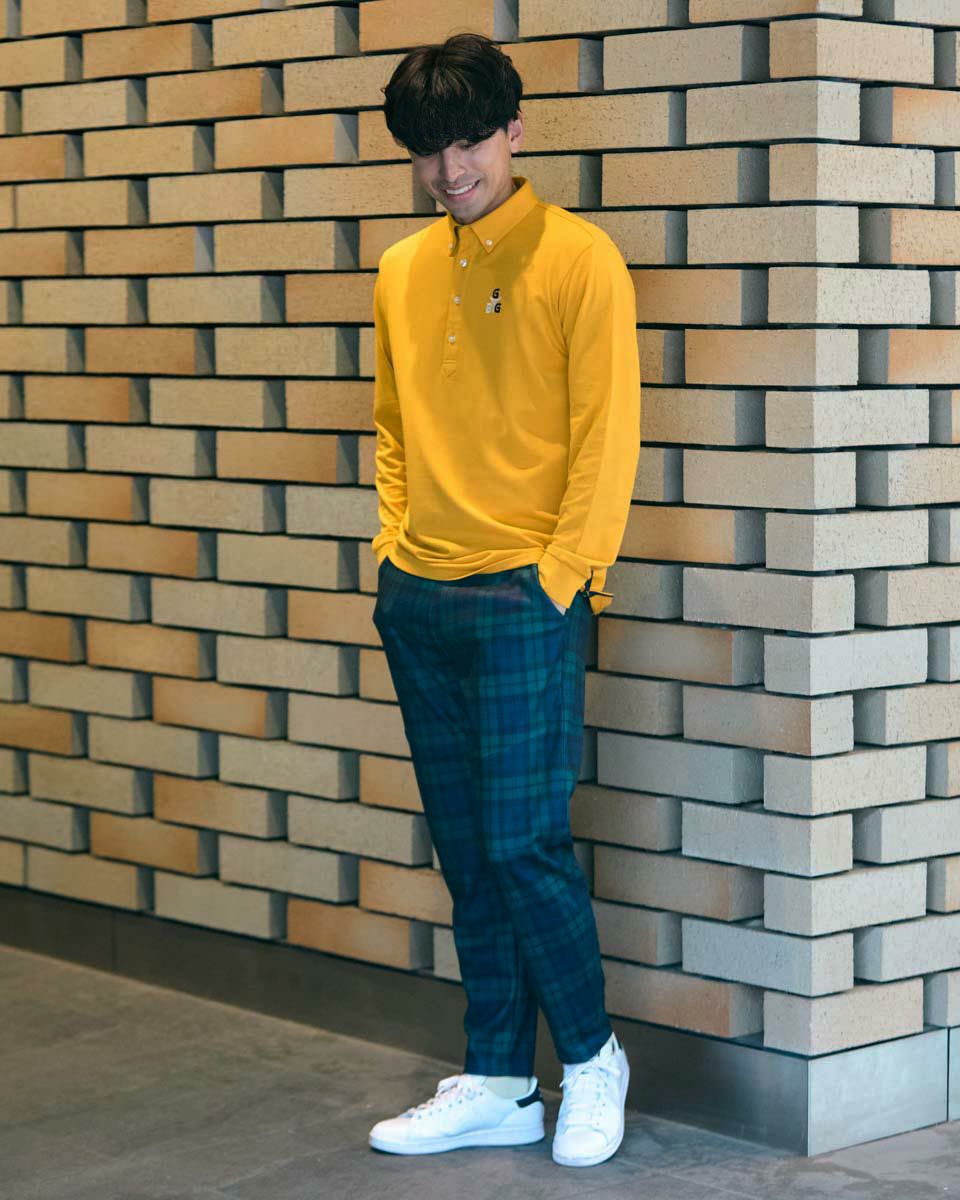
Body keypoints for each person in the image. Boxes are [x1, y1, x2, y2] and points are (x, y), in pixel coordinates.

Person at [367, 31, 642, 1169]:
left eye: (471, 141)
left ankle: (592, 1057)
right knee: (467, 849)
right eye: (430, 150)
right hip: (419, 596)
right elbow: (392, 427)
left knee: (526, 844)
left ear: (514, 132)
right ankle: (496, 1078)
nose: (451, 170)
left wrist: (561, 578)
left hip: (528, 595)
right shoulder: (401, 269)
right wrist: (393, 547)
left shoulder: (580, 260)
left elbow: (606, 438)